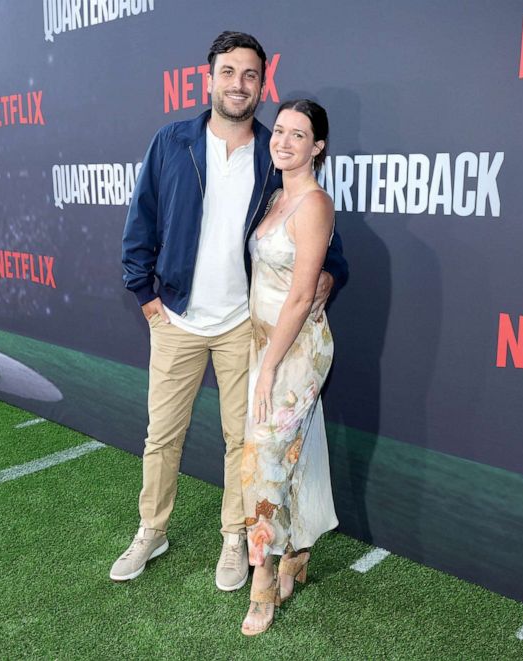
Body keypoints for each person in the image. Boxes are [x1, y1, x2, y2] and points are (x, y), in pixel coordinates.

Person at [115, 32, 348, 592]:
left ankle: (233, 538)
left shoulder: (275, 153)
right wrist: (146, 298)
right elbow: (141, 222)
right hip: (176, 319)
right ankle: (151, 530)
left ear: (261, 83)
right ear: (209, 77)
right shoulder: (172, 142)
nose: (238, 84)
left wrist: (329, 275)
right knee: (161, 436)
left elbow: (324, 244)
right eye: (228, 72)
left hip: (245, 329)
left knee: (240, 443)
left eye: (249, 75)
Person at [238, 99, 339, 635]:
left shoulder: (314, 204)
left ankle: (261, 580)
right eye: (278, 131)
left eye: (298, 135)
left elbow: (301, 298)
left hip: (294, 352)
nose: (283, 141)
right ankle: (298, 550)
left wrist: (269, 369)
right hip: (265, 345)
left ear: (317, 146)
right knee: (295, 455)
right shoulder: (275, 196)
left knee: (264, 459)